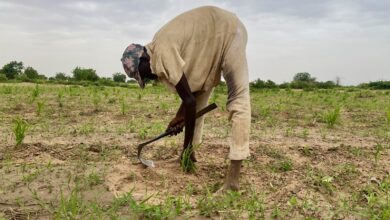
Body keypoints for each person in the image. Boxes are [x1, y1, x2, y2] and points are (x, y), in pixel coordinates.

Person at [121, 6, 251, 191]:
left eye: (143, 75)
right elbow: (191, 92)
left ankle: (233, 179)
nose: (148, 79)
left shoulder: (163, 50)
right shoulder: (160, 47)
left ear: (142, 59)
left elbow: (189, 100)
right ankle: (192, 156)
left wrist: (185, 147)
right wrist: (179, 117)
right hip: (212, 43)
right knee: (196, 104)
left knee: (238, 99)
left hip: (230, 31)